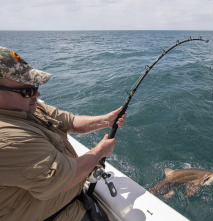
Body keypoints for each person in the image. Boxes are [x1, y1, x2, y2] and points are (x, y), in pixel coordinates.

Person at [0, 46, 127, 221]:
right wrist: (100, 151)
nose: (36, 93)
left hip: (73, 202)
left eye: (34, 86)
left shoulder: (27, 106)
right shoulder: (7, 138)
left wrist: (106, 120)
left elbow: (70, 121)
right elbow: (65, 179)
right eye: (26, 90)